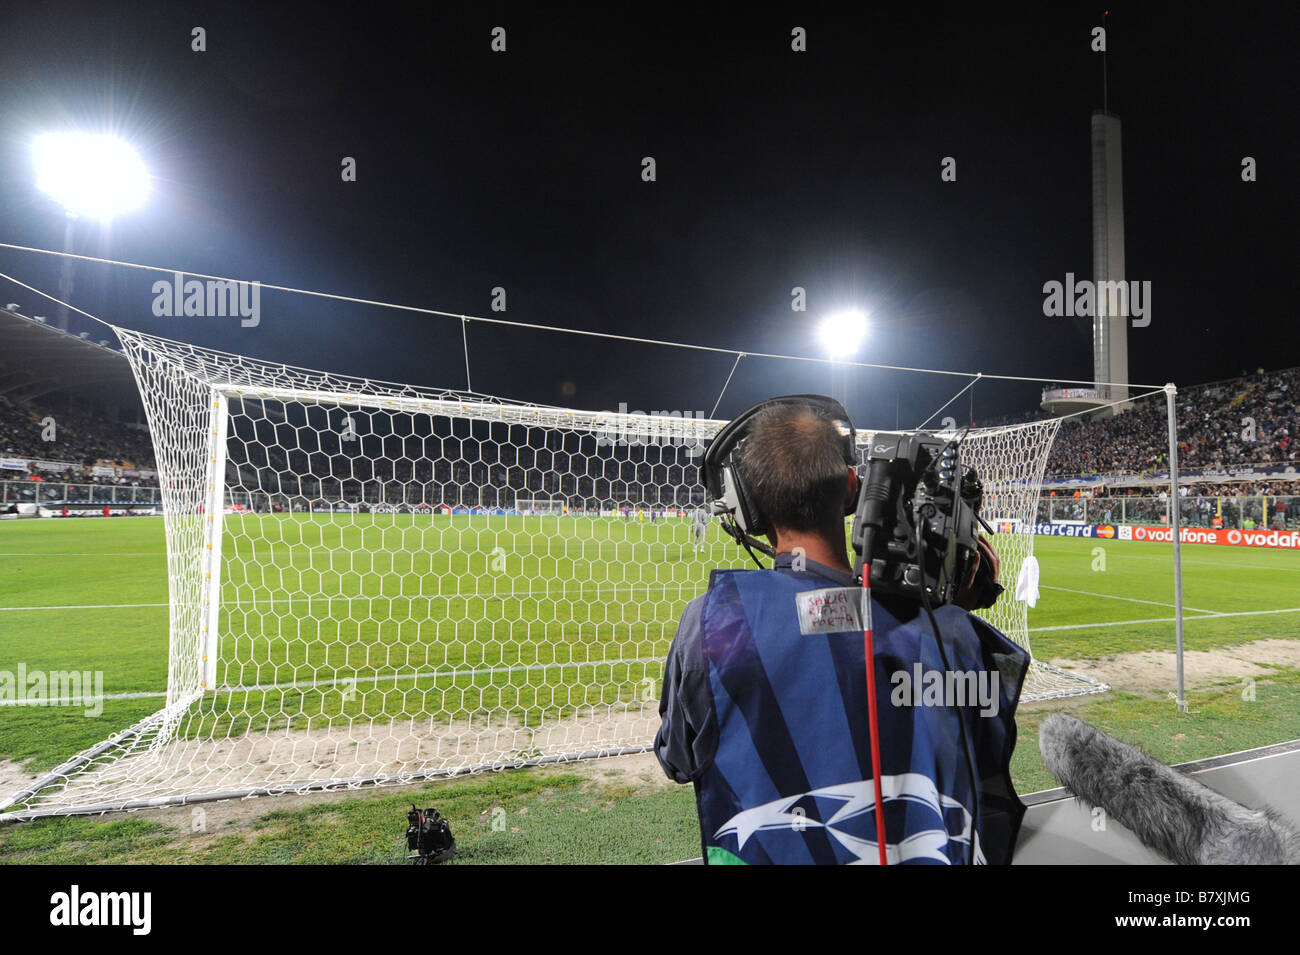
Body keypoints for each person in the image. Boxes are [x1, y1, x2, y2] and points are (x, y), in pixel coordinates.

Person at [655, 397, 1030, 865]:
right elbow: (981, 747)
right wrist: (953, 613)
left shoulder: (707, 624)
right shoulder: (954, 633)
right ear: (854, 487)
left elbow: (678, 760)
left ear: (749, 505)